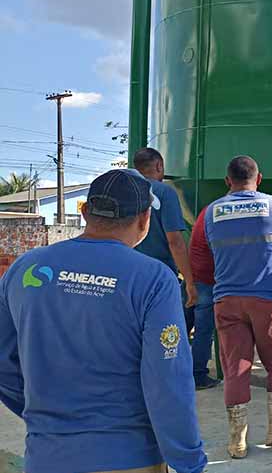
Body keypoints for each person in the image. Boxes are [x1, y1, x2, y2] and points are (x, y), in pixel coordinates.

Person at [0, 169, 207, 473]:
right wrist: (189, 461)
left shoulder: (25, 268)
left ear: (85, 213)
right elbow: (167, 381)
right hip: (129, 457)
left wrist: (45, 419)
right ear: (144, 219)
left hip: (47, 457)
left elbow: (3, 363)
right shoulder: (153, 279)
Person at [205, 155, 272, 459]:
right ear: (259, 178)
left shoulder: (212, 211)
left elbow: (210, 245)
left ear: (227, 181)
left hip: (227, 300)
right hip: (268, 300)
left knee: (235, 367)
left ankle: (237, 441)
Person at [132, 148, 207, 388]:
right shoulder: (164, 192)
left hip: (127, 272)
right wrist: (191, 282)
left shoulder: (127, 189)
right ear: (159, 166)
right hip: (159, 275)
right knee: (163, 330)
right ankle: (164, 378)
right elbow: (175, 241)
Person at [188, 203, 221, 390]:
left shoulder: (207, 211)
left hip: (192, 276)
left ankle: (171, 369)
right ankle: (198, 375)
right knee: (204, 331)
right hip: (207, 280)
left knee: (180, 328)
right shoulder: (219, 215)